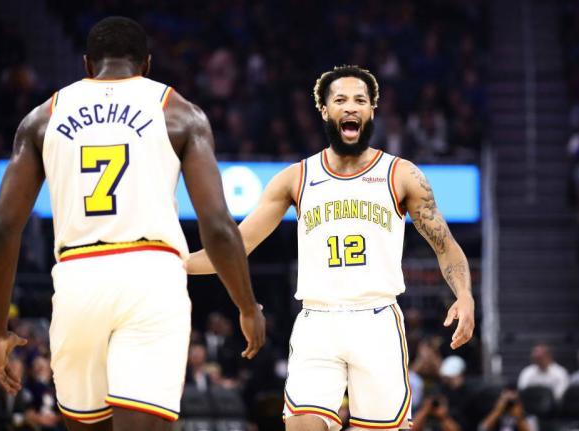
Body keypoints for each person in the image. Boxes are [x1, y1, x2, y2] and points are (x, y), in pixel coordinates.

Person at [0, 16, 265, 431]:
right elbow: (219, 227)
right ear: (146, 64)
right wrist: (246, 306)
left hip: (77, 278)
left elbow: (2, 233)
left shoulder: (42, 118)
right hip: (151, 277)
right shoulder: (179, 112)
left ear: (86, 64)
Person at [188, 65, 475, 431]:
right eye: (340, 100)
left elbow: (444, 244)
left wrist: (464, 294)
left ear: (372, 110)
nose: (350, 107)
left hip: (376, 320)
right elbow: (237, 245)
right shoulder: (296, 177)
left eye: (360, 100)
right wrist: (178, 262)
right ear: (325, 111)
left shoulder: (401, 174)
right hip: (318, 320)